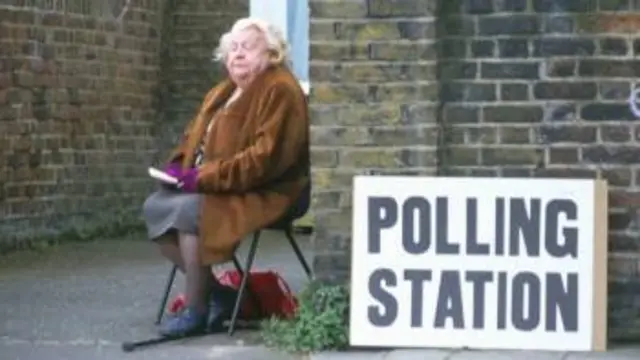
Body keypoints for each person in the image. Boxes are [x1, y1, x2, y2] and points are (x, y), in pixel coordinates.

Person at [142, 17, 310, 337]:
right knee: (157, 206)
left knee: (189, 211)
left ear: (272, 53)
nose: (238, 54)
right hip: (219, 186)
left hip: (267, 190)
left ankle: (196, 309)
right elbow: (192, 139)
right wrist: (178, 169)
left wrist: (201, 178)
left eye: (248, 46)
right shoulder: (222, 92)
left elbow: (264, 158)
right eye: (232, 48)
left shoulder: (281, 88)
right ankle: (221, 296)